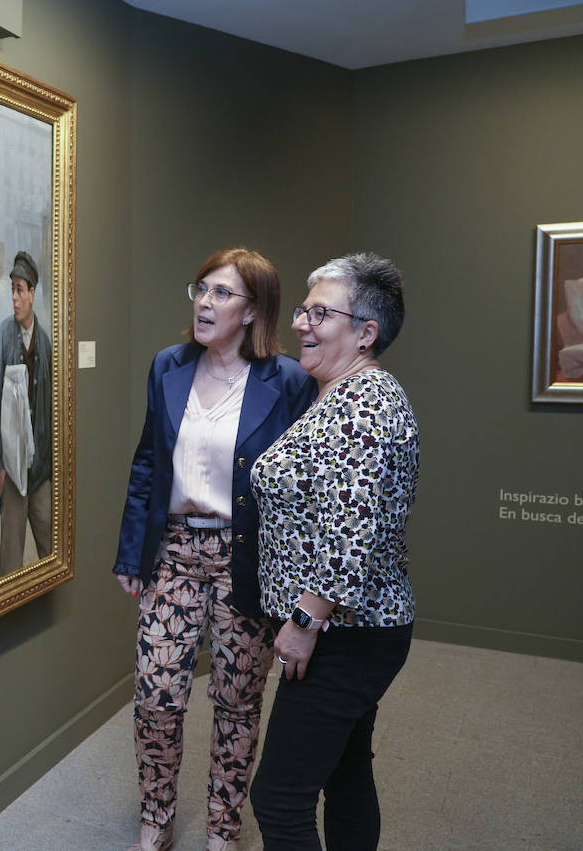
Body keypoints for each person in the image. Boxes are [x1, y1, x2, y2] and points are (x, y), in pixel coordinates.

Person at [113, 248, 315, 851]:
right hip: (173, 551)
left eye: (221, 293)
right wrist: (131, 553)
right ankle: (157, 816)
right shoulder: (167, 366)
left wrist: (298, 582)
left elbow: (301, 490)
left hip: (244, 559)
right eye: (200, 289)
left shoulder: (289, 382)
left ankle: (224, 828)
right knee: (156, 695)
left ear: (252, 310)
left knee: (236, 701)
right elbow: (148, 461)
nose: (204, 302)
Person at [249, 253, 419, 850]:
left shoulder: (366, 404)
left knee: (278, 798)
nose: (301, 323)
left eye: (320, 313)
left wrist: (303, 621)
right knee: (345, 774)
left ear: (365, 333)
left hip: (342, 634)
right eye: (303, 309)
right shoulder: (338, 394)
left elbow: (351, 531)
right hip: (349, 631)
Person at [0, 251, 54, 575]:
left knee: (52, 552)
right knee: (10, 565)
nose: (15, 298)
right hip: (11, 469)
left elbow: (53, 409)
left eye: (20, 290)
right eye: (12, 290)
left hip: (40, 471)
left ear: (32, 293)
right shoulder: (2, 338)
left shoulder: (45, 343)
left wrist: (50, 464)